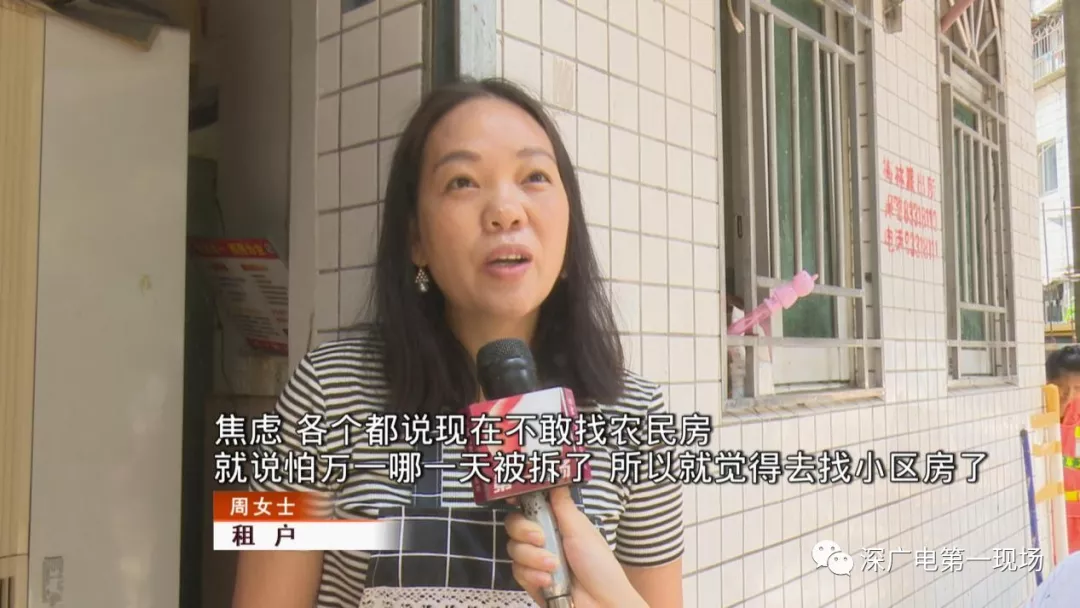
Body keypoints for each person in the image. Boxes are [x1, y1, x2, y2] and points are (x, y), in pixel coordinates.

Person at [232, 78, 684, 608]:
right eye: (462, 182)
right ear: (416, 239)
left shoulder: (637, 416)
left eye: (534, 177)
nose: (506, 211)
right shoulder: (324, 392)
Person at [1046, 346, 1080, 554]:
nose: (1069, 396)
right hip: (1056, 517)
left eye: (1077, 389)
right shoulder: (1042, 416)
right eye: (1062, 389)